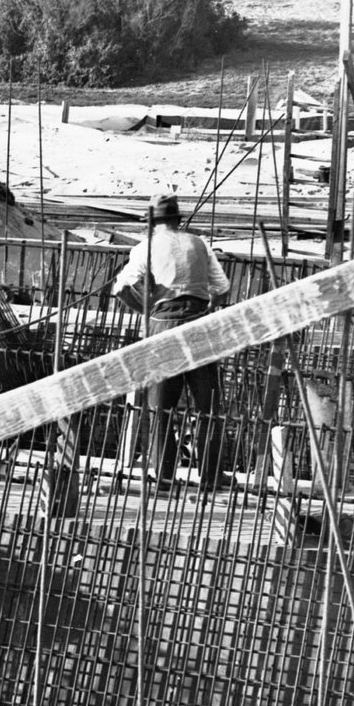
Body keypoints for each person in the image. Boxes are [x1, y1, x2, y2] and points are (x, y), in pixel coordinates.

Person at [112, 193, 231, 491]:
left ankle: (164, 477)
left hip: (162, 326)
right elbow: (223, 287)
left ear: (153, 224)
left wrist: (148, 310)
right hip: (200, 326)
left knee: (160, 406)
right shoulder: (200, 243)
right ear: (178, 220)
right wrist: (208, 307)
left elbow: (120, 287)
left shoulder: (145, 248)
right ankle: (212, 477)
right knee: (208, 406)